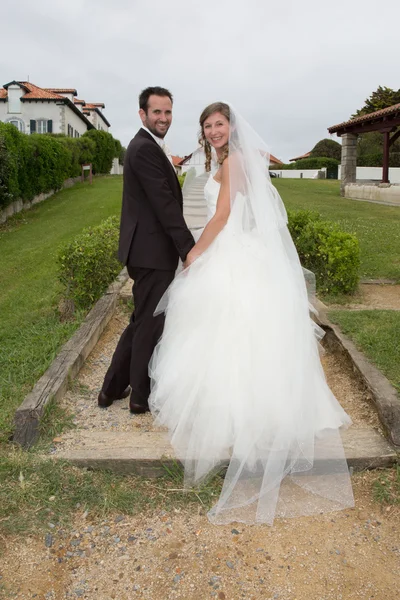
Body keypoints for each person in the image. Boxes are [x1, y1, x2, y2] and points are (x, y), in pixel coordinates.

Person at [149, 102, 354, 525]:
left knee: (238, 329)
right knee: (217, 329)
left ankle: (245, 415)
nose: (213, 131)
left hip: (231, 253)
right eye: (207, 126)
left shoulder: (237, 159)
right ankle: (217, 406)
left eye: (219, 124)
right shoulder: (224, 159)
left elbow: (223, 215)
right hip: (231, 249)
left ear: (231, 126)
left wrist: (194, 253)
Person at [98, 87, 195, 414]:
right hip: (152, 253)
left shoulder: (148, 146)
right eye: (157, 112)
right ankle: (140, 397)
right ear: (143, 114)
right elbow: (165, 204)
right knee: (149, 326)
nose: (163, 118)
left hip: (147, 251)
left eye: (168, 112)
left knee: (141, 321)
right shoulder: (143, 149)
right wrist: (188, 250)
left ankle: (111, 387)